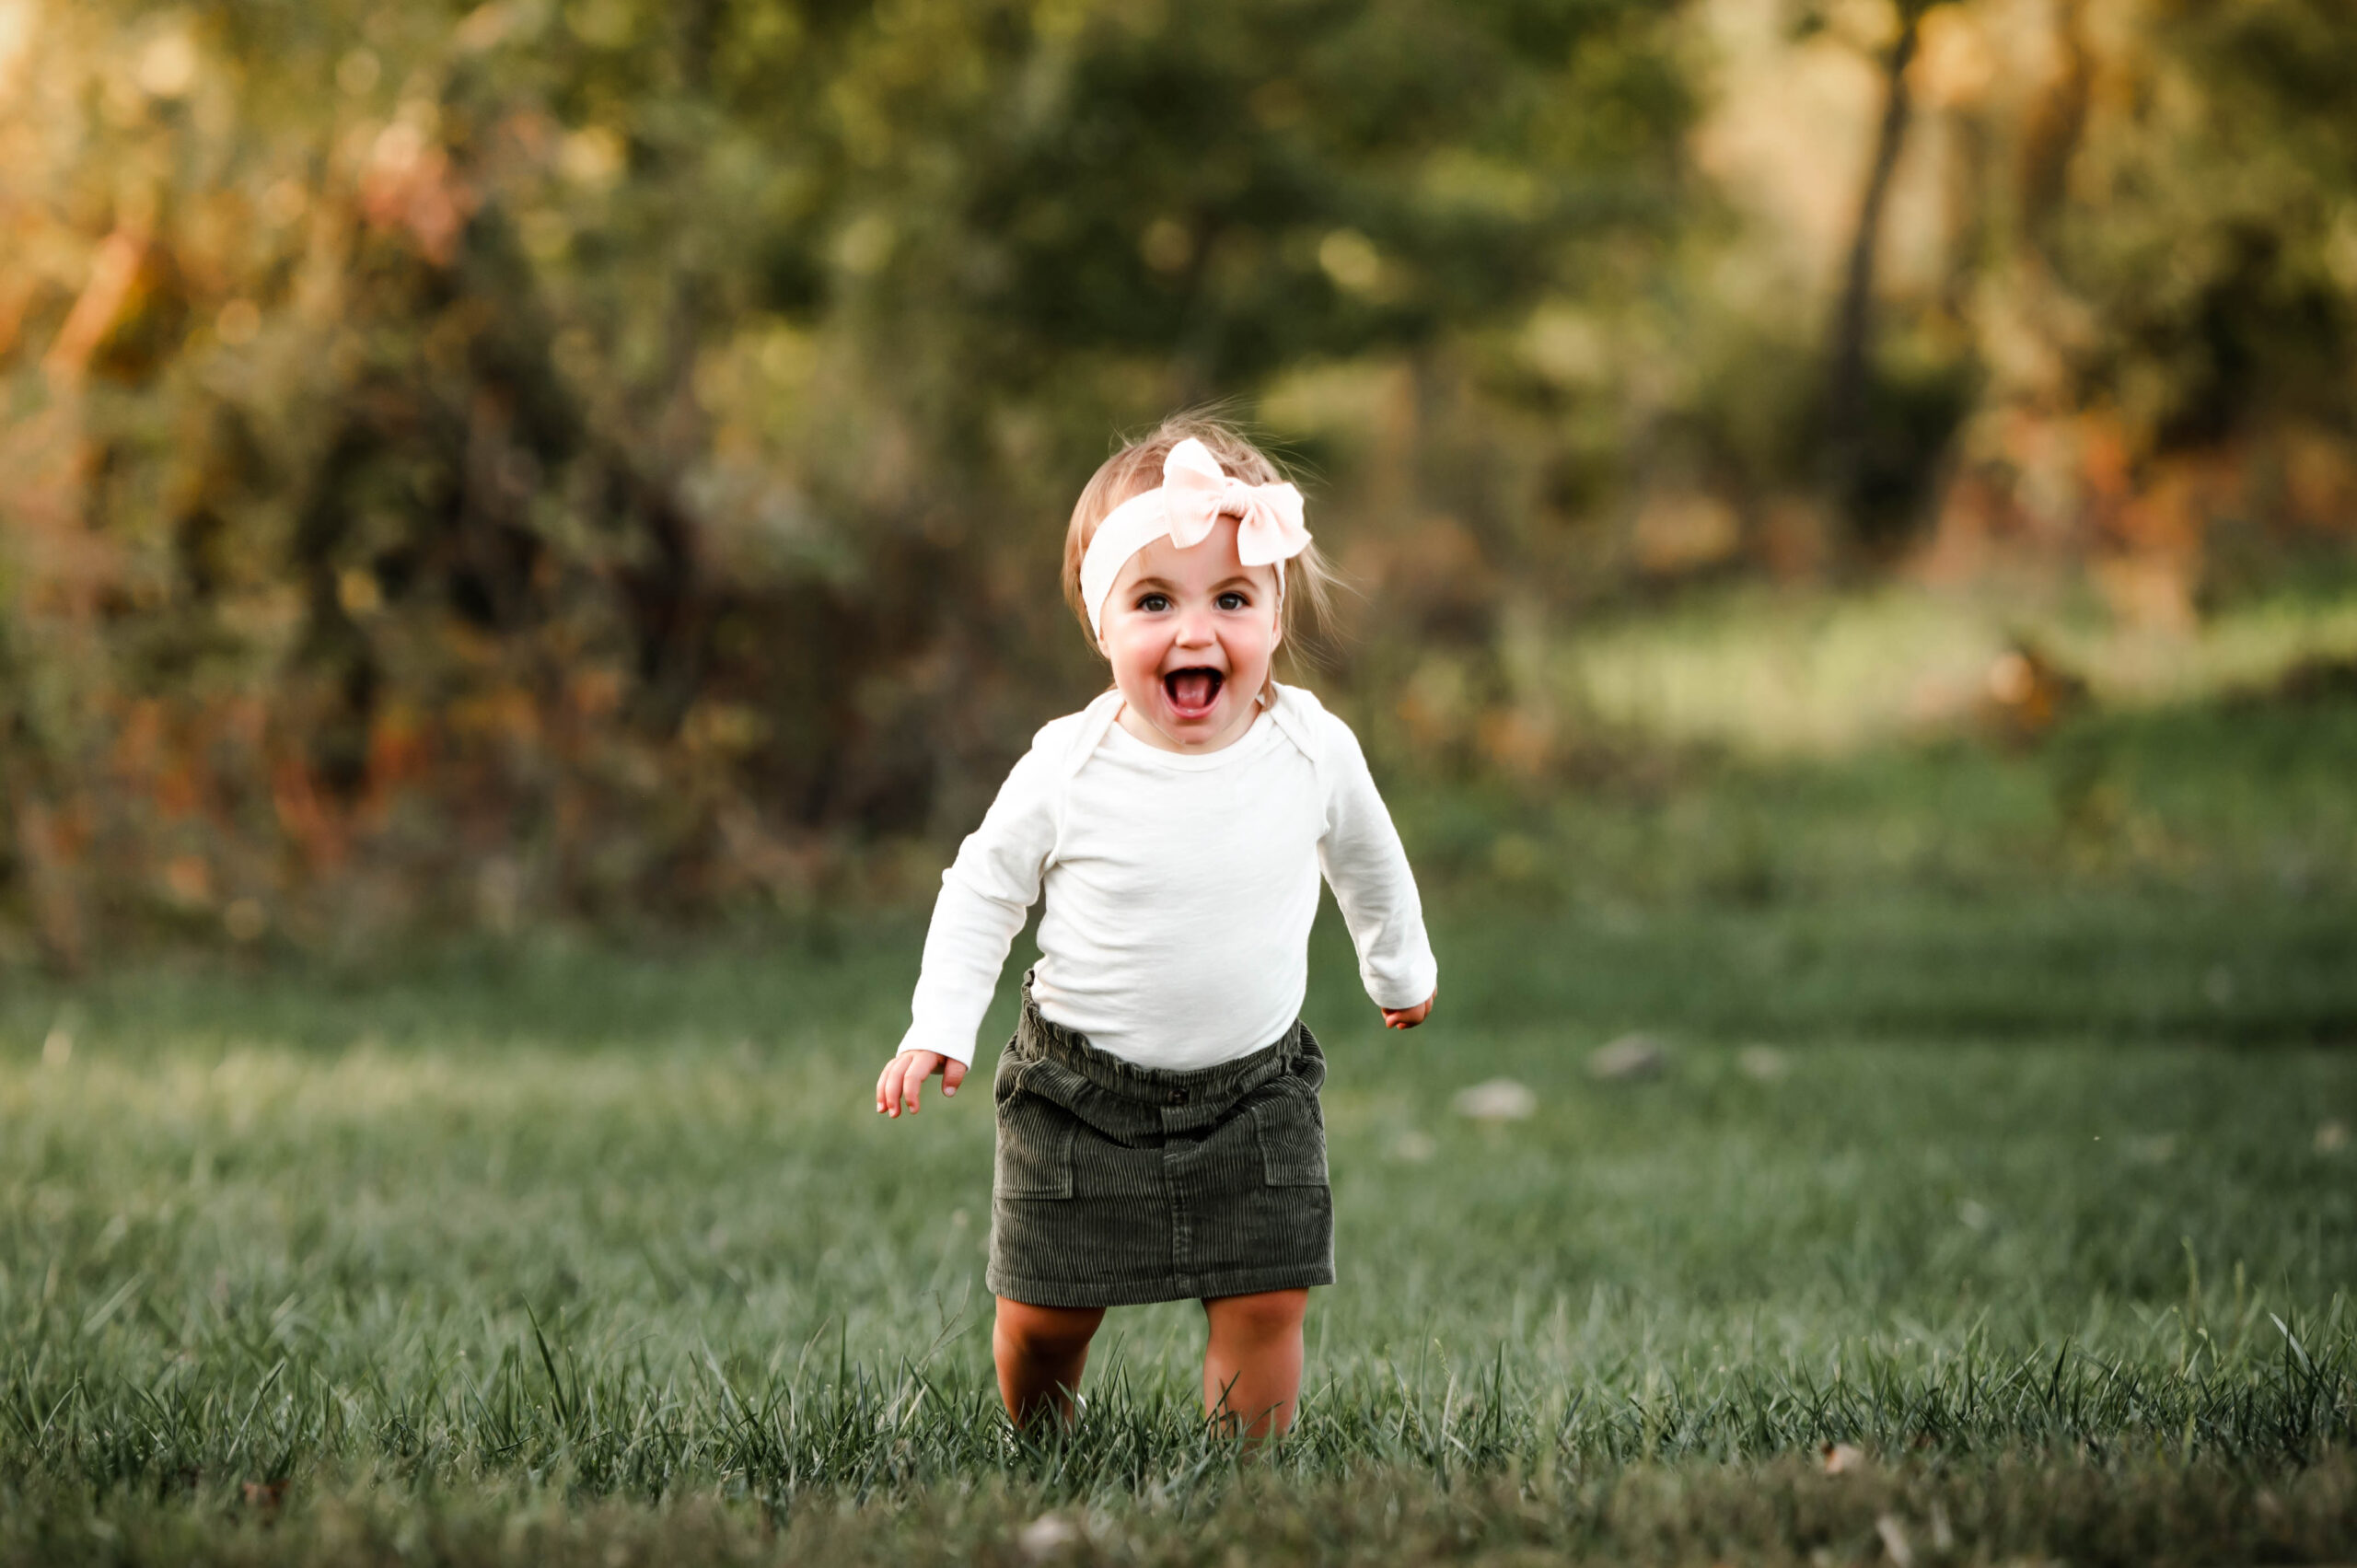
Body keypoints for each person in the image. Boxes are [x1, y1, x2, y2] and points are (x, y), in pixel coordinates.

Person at [874, 413, 1438, 1442]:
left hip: (1254, 1087)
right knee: (1047, 1313)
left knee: (1267, 1295)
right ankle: (1039, 1435)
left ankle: (1240, 1477)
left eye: (1231, 598)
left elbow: (1367, 858)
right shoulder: (1067, 763)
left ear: (1274, 612)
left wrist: (1398, 968)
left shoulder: (1313, 747)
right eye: (1152, 601)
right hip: (1080, 1091)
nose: (1193, 631)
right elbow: (982, 890)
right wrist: (940, 1022)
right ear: (1102, 627)